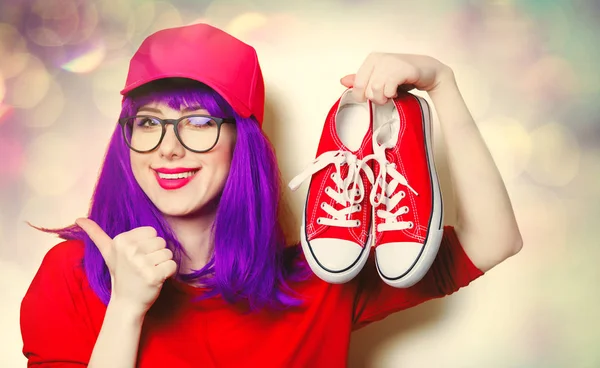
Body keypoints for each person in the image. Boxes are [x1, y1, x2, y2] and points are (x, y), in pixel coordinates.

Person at [19, 23, 522, 368]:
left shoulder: (324, 272)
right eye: (149, 123)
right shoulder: (72, 275)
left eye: (197, 122)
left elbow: (494, 240)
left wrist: (443, 85)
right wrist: (125, 309)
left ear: (245, 141)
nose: (168, 148)